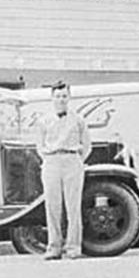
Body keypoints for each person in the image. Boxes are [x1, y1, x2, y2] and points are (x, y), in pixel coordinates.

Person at [36, 81, 92, 260]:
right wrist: (49, 159)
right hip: (52, 161)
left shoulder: (78, 119)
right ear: (52, 97)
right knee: (52, 207)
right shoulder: (44, 120)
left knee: (73, 207)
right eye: (58, 96)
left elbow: (87, 145)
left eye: (64, 96)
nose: (61, 100)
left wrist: (76, 160)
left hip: (72, 161)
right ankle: (54, 248)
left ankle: (73, 248)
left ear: (69, 97)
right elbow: (39, 145)